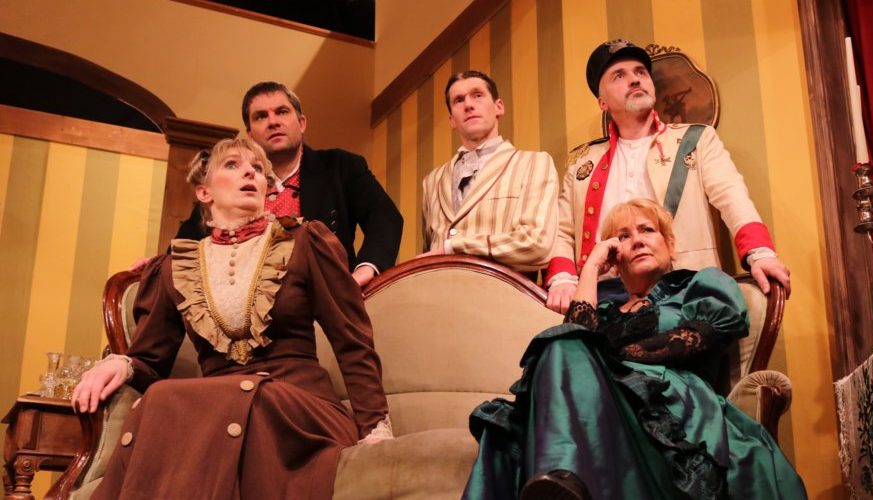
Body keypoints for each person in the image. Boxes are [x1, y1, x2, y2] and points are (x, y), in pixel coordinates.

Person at [73, 137, 393, 499]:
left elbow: (351, 340)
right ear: (204, 192)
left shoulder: (305, 242)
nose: (250, 173)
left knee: (258, 402)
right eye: (232, 165)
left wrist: (375, 427)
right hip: (216, 409)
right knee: (159, 398)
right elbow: (151, 359)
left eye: (257, 168)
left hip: (296, 407)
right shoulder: (175, 267)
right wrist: (120, 364)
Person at [463, 198, 806, 500]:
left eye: (647, 230)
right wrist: (591, 268)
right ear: (615, 257)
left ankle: (563, 479)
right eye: (624, 237)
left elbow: (695, 340)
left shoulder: (700, 284)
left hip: (668, 408)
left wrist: (604, 358)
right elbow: (572, 343)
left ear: (670, 246)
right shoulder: (605, 312)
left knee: (569, 344)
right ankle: (561, 483)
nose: (638, 240)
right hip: (604, 412)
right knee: (559, 346)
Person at [546, 40, 791, 313]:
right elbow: (562, 230)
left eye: (640, 72)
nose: (635, 79)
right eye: (619, 75)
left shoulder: (697, 140)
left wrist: (760, 253)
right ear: (602, 102)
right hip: (602, 297)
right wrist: (563, 279)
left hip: (684, 290)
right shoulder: (583, 161)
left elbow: (732, 197)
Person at [176, 82, 403, 287]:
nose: (273, 122)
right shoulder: (233, 182)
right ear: (250, 135)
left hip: (324, 301)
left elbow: (385, 217)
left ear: (301, 123)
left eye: (282, 112)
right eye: (261, 116)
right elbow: (185, 246)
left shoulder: (340, 166)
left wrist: (365, 270)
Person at [419, 71, 558, 273]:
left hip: (502, 289)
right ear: (452, 120)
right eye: (459, 100)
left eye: (477, 95)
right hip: (438, 289)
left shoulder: (534, 163)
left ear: (498, 107)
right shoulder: (432, 181)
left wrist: (454, 248)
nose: (468, 104)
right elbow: (429, 252)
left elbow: (537, 243)